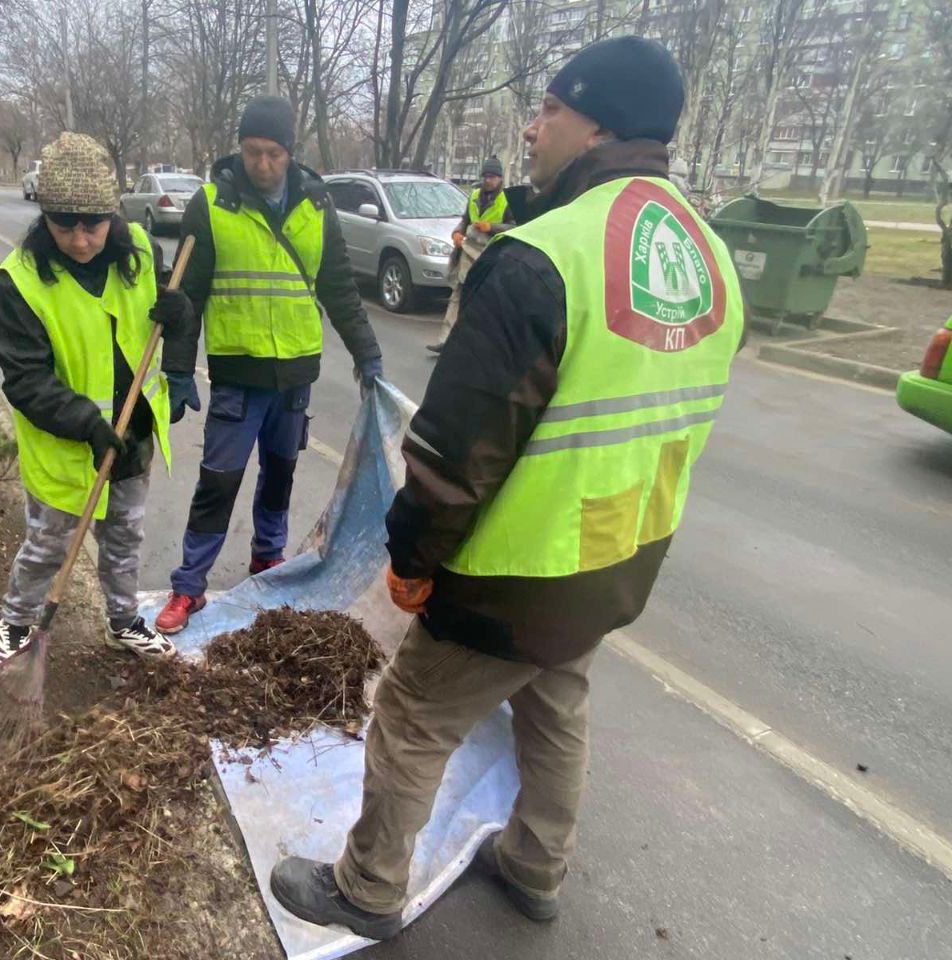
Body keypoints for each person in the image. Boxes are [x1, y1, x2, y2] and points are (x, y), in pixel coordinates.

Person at [269, 36, 745, 940]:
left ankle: (367, 888)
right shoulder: (709, 258)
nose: (532, 128)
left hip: (514, 571)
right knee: (556, 701)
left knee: (411, 713)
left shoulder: (543, 256)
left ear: (598, 124)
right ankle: (535, 865)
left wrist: (410, 562)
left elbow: (455, 458)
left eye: (551, 109)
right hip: (615, 561)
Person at [153, 96, 384, 635]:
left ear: (290, 153)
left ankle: (266, 557)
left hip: (295, 374)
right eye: (252, 152)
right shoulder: (210, 205)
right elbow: (186, 293)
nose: (262, 165)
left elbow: (340, 289)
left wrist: (367, 353)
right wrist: (179, 368)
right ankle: (189, 586)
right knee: (219, 481)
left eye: (273, 154)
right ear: (239, 149)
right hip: (238, 373)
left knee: (280, 474)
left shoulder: (316, 205)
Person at [0, 132, 193, 668]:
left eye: (94, 224)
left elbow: (164, 312)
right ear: (44, 217)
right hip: (65, 444)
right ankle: (15, 624)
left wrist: (181, 322)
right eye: (64, 225)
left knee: (125, 536)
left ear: (113, 214)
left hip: (133, 434)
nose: (80, 240)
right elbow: (25, 378)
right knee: (47, 544)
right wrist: (86, 422)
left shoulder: (139, 253)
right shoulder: (22, 283)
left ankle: (123, 621)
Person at [428, 156, 516, 354]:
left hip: (491, 256)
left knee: (483, 301)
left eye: (492, 176)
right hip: (468, 254)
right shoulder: (475, 195)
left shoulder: (507, 200)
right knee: (457, 296)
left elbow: (515, 227)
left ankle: (478, 345)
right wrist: (457, 233)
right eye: (485, 176)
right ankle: (445, 341)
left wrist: (491, 227)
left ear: (500, 178)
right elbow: (465, 220)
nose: (488, 180)